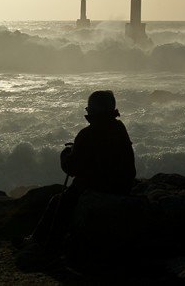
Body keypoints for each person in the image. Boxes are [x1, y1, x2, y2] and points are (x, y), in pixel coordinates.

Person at [29, 90, 136, 251]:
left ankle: (43, 243)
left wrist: (65, 153)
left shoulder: (88, 134)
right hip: (122, 186)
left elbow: (71, 168)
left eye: (88, 108)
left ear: (93, 110)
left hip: (97, 188)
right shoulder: (119, 128)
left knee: (59, 202)